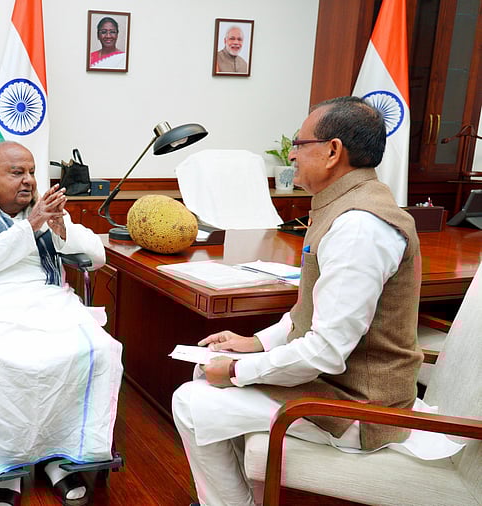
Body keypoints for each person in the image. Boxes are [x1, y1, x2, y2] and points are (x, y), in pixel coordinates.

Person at [172, 96, 463, 506]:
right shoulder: (344, 207)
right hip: (338, 384)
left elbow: (326, 351)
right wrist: (254, 344)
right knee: (207, 380)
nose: (290, 153)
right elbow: (307, 313)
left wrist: (238, 369)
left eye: (298, 142)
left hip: (362, 406)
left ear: (332, 152)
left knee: (191, 401)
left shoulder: (360, 226)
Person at [0, 141, 124, 506]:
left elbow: (97, 258)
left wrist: (60, 228)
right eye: (17, 173)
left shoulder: (42, 207)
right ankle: (3, 469)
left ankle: (62, 455)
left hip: (45, 297)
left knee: (99, 350)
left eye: (31, 172)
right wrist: (31, 227)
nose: (28, 181)